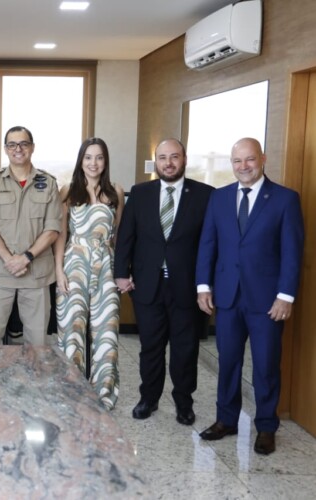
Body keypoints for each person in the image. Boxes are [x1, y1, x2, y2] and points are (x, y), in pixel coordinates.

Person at [196, 138, 304, 455]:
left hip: (267, 301)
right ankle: (226, 420)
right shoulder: (219, 198)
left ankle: (266, 426)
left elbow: (291, 253)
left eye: (250, 159)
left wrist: (286, 296)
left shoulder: (284, 199)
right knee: (227, 362)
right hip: (227, 298)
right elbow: (208, 245)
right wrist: (204, 287)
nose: (243, 166)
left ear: (263, 159)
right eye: (237, 161)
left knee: (266, 366)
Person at [114, 138, 213, 425]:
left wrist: (207, 285)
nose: (168, 163)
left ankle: (184, 403)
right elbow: (126, 237)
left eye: (174, 157)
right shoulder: (141, 193)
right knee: (151, 347)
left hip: (187, 287)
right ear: (156, 162)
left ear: (184, 159)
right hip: (148, 284)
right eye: (162, 158)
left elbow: (211, 243)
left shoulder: (205, 195)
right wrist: (121, 272)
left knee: (186, 349)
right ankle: (149, 398)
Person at [55, 138, 125, 410]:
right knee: (71, 332)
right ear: (80, 160)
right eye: (88, 157)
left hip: (106, 267)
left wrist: (120, 272)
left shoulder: (116, 192)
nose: (93, 163)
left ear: (105, 161)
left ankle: (103, 393)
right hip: (74, 264)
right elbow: (61, 234)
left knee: (106, 332)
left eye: (99, 158)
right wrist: (59, 270)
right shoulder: (68, 191)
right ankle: (72, 391)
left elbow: (118, 237)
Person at [0, 126, 62, 346]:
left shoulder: (49, 182)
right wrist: (10, 259)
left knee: (37, 342)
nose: (18, 149)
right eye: (12, 144)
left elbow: (52, 228)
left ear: (32, 147)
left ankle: (34, 381)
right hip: (0, 273)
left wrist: (25, 257)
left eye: (24, 143)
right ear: (6, 149)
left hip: (36, 274)